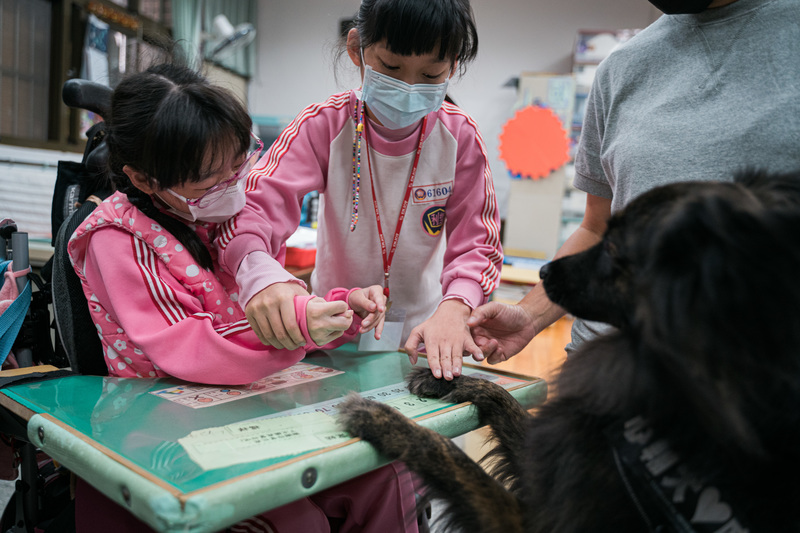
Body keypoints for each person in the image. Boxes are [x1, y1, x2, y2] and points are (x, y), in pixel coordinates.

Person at [67, 63, 419, 533]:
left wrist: (337, 309)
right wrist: (299, 323)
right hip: (162, 423)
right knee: (298, 523)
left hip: (250, 404)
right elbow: (189, 348)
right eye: (210, 180)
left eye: (240, 162)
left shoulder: (219, 218)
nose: (234, 184)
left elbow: (271, 301)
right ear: (145, 179)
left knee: (389, 478)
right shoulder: (117, 238)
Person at [468, 0, 800, 362]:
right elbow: (598, 229)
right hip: (609, 371)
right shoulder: (620, 68)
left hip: (756, 379)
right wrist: (530, 315)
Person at [216, 0, 502, 382]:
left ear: (452, 66)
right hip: (331, 329)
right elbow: (254, 209)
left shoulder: (459, 137)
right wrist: (261, 275)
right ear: (357, 50)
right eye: (391, 68)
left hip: (424, 335)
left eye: (432, 75)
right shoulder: (324, 125)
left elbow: (478, 243)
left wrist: (457, 306)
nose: (408, 88)